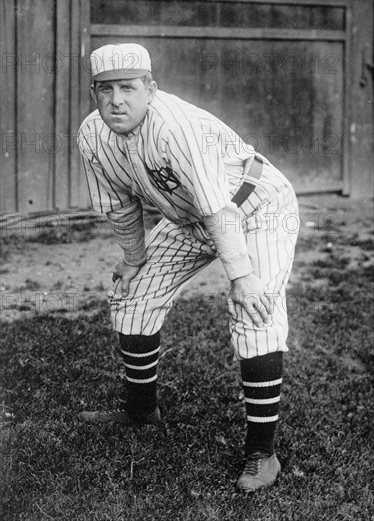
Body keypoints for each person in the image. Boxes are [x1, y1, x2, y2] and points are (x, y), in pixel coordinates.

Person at [77, 43, 299, 492]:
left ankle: (263, 453)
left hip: (255, 206)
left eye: (128, 88)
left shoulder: (172, 125)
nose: (116, 99)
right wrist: (134, 258)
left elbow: (218, 208)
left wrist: (241, 275)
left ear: (151, 89)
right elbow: (120, 207)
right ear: (94, 94)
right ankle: (142, 412)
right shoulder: (92, 135)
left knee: (255, 312)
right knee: (133, 296)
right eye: (105, 90)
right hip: (191, 218)